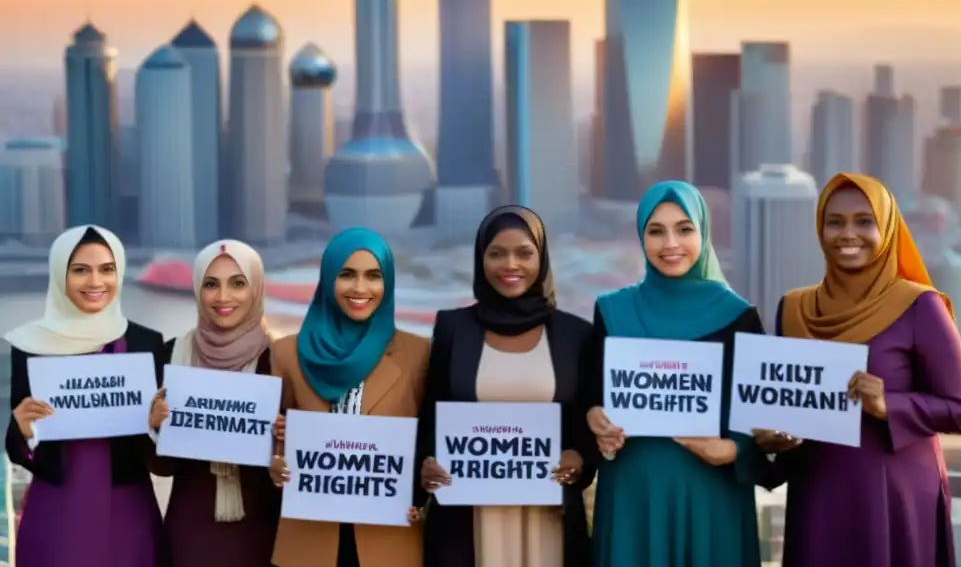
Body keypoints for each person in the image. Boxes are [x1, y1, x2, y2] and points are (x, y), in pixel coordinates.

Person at [756, 172, 961, 567]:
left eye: (863, 221)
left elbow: (957, 407)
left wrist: (888, 404)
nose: (847, 233)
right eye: (834, 221)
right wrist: (773, 438)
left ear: (887, 228)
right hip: (818, 491)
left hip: (894, 496)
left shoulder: (920, 305)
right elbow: (788, 403)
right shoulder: (794, 308)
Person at [584, 182, 764, 567]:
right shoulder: (612, 311)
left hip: (711, 494)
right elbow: (592, 396)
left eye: (684, 229)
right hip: (635, 493)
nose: (670, 243)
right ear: (641, 236)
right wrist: (594, 418)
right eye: (656, 231)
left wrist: (732, 449)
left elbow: (762, 415)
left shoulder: (738, 316)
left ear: (703, 231)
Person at [418, 205, 598, 567]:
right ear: (480, 258)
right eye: (496, 253)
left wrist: (578, 460)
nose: (510, 265)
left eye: (524, 253)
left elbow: (586, 427)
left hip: (546, 519)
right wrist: (426, 464)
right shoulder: (453, 329)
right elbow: (431, 417)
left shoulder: (576, 335)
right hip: (468, 520)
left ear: (542, 258)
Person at [4, 225, 165, 566]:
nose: (96, 282)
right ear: (60, 274)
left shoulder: (145, 343)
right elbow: (17, 450)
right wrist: (23, 429)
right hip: (58, 508)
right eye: (80, 270)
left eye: (107, 270)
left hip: (128, 508)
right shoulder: (31, 345)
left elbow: (161, 452)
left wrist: (156, 426)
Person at [268, 228, 429, 567]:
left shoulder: (418, 354)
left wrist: (423, 495)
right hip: (308, 542)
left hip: (388, 542)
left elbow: (429, 442)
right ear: (328, 279)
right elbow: (272, 444)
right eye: (347, 275)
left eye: (373, 276)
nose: (359, 288)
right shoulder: (286, 354)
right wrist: (275, 459)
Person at [148, 239, 280, 566]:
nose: (223, 297)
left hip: (262, 531)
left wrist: (283, 443)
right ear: (197, 289)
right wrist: (153, 427)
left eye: (238, 283)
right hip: (190, 530)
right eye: (211, 284)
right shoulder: (172, 355)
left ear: (257, 288)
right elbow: (162, 468)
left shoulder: (280, 360)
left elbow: (293, 473)